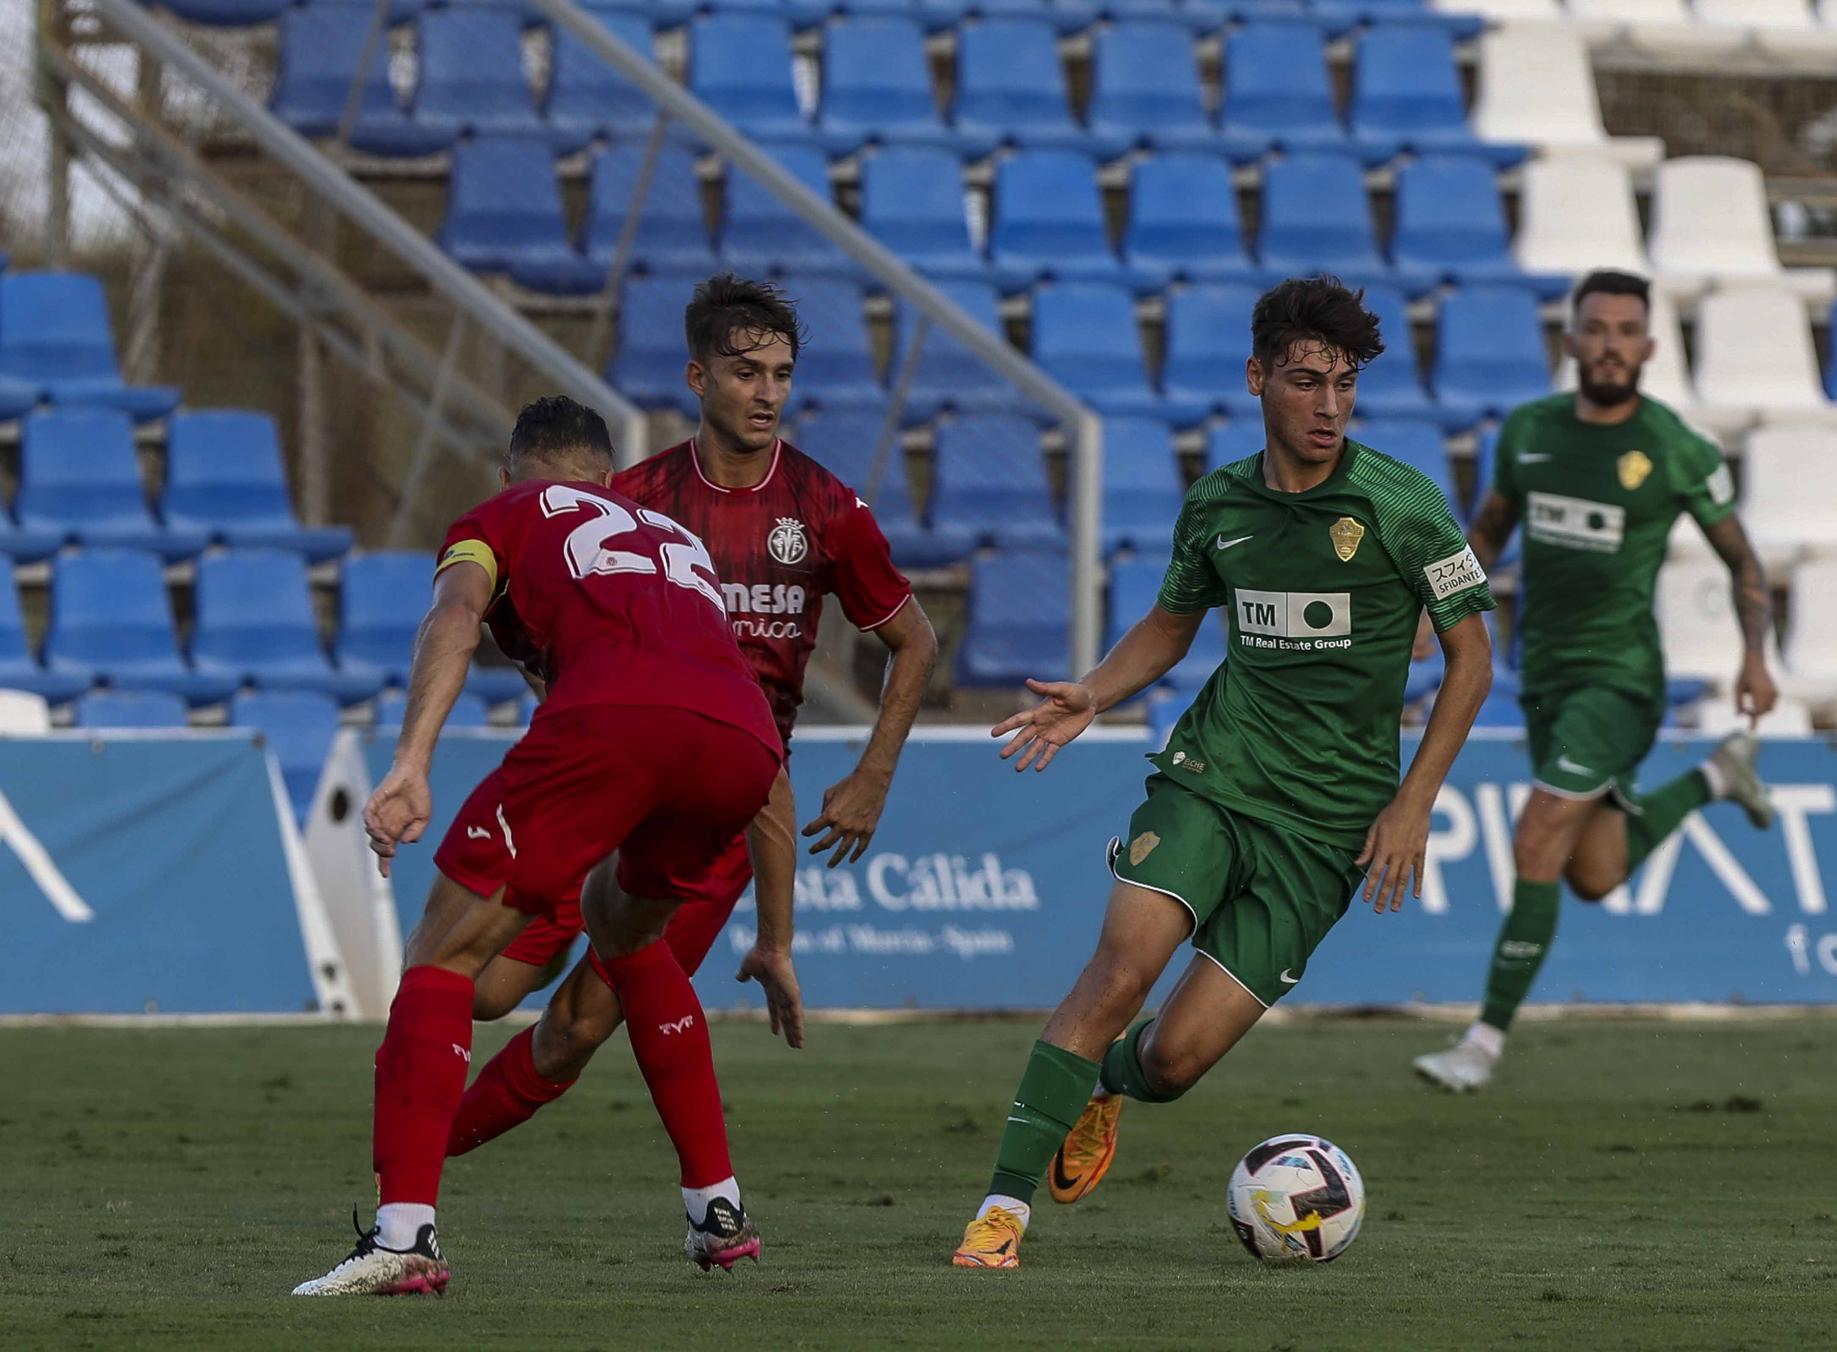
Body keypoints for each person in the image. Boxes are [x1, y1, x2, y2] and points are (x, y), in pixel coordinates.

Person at [951, 276, 1496, 1270]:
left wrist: (1411, 801)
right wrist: (1096, 690)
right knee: (1117, 972)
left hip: (1325, 832)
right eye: (1303, 381)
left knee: (1175, 1056)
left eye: (1342, 385)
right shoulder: (1217, 505)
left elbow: (1472, 658)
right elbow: (1172, 618)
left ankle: (1105, 1081)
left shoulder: (1401, 505)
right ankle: (1000, 1210)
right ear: (1256, 379)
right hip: (1212, 777)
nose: (1327, 407)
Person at [293, 396, 784, 1296]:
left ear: (512, 471)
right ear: (607, 477)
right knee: (623, 932)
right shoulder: (676, 539)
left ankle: (403, 1235)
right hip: (744, 740)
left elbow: (454, 616)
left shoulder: (502, 516)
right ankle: (717, 1210)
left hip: (619, 719)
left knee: (439, 955)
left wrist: (410, 763)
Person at [444, 274, 936, 1157]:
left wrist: (873, 775)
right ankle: (413, 1154)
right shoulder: (629, 498)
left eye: (782, 374)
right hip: (613, 776)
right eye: (747, 371)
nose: (768, 392)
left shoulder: (827, 510)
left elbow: (916, 640)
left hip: (724, 804)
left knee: (577, 1029)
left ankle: (416, 1163)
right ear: (698, 378)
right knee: (479, 990)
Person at [1413, 269, 1777, 1095]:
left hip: (1621, 684)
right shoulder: (1530, 433)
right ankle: (1720, 775)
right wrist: (1436, 614)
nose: (1611, 344)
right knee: (1593, 872)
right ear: (1570, 341)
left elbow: (1744, 562)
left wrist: (1756, 654)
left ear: (1648, 347)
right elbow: (1488, 531)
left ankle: (1481, 1043)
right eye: (1596, 329)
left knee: (1537, 836)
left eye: (1626, 331)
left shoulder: (1676, 448)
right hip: (1542, 677)